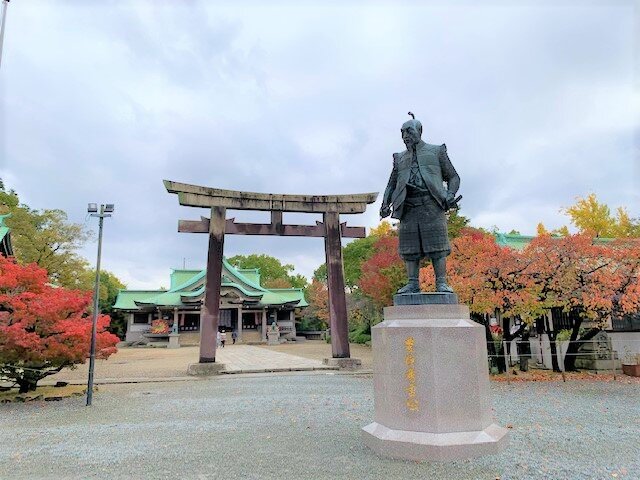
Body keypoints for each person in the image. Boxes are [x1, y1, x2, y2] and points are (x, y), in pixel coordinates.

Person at [380, 113, 461, 294]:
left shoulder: (436, 151)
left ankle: (441, 282)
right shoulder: (399, 158)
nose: (405, 136)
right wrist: (385, 204)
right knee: (410, 249)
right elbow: (391, 184)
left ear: (419, 131)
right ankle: (412, 283)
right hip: (407, 206)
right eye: (402, 133)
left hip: (431, 204)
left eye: (409, 131)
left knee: (438, 246)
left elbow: (453, 177)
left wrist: (450, 194)